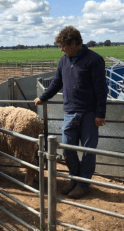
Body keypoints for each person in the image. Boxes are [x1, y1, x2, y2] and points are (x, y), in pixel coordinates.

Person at [34, 26, 107, 199]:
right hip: (70, 112)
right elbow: (56, 82)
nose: (61, 49)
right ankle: (75, 178)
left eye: (63, 45)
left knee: (89, 150)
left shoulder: (94, 60)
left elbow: (101, 88)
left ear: (74, 43)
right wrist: (43, 97)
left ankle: (83, 184)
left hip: (89, 114)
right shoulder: (64, 60)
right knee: (66, 149)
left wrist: (100, 113)